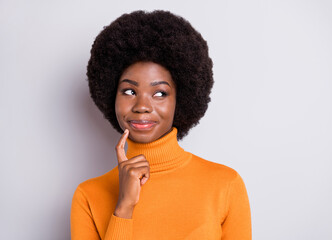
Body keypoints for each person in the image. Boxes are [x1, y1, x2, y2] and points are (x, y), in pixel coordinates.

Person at [71, 10, 251, 240]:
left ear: (181, 99)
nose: (142, 106)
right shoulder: (88, 196)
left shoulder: (225, 185)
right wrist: (124, 207)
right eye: (129, 91)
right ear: (110, 96)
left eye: (159, 93)